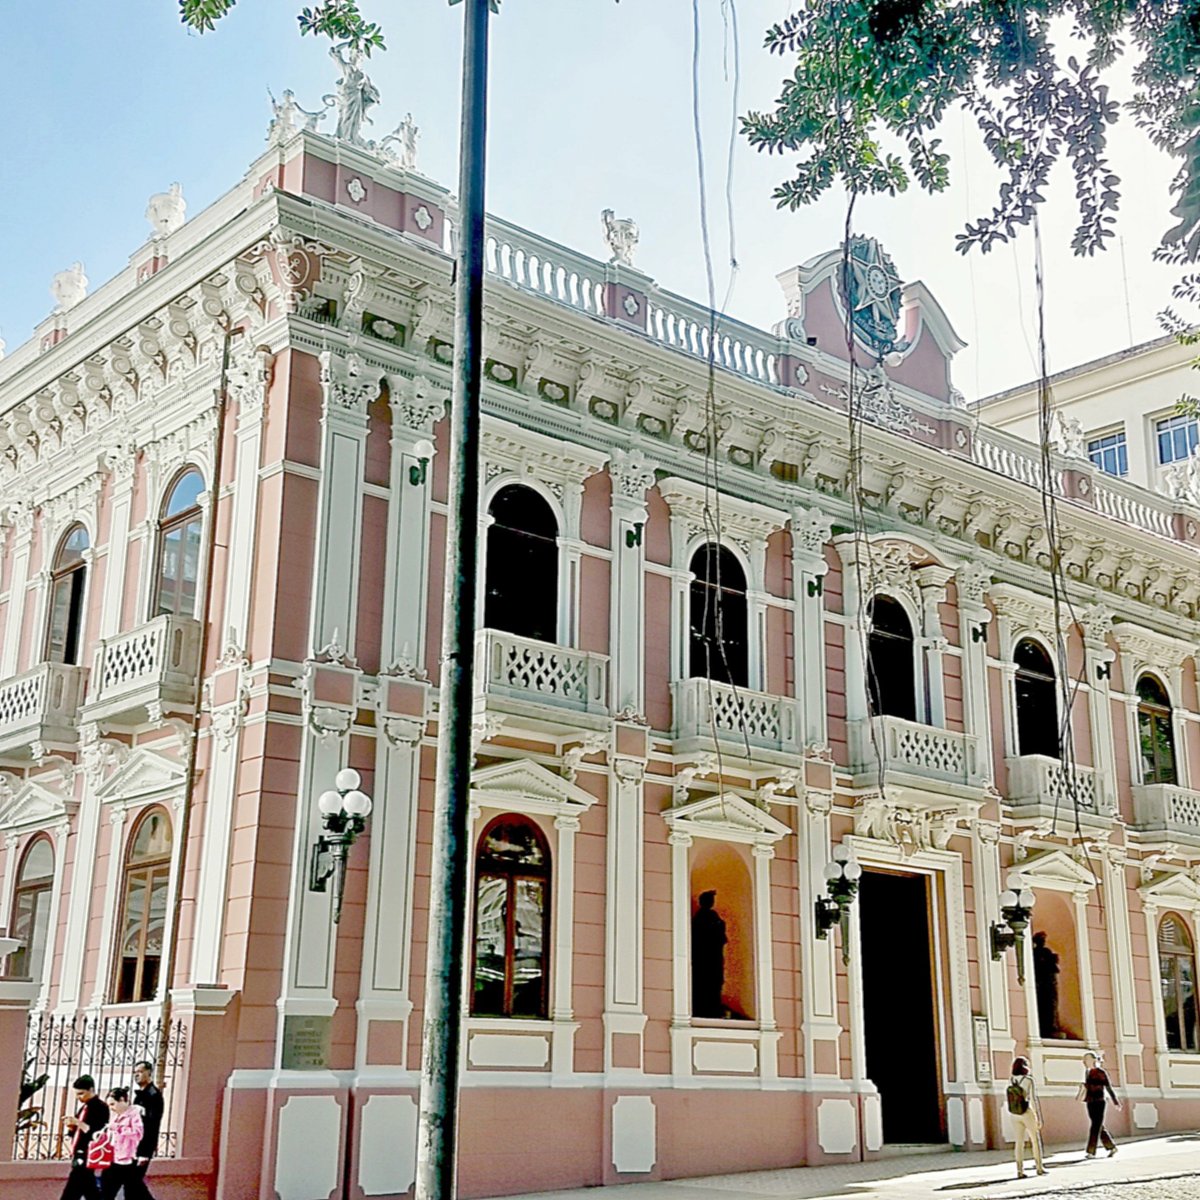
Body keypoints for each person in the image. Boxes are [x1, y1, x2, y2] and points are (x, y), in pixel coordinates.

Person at [60, 1075, 109, 1200]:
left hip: (88, 1152)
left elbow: (96, 1132)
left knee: (74, 1187)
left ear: (91, 1089)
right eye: (76, 1094)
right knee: (88, 1187)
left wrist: (77, 1123)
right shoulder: (84, 1107)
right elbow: (79, 1131)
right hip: (79, 1151)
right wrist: (72, 1127)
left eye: (81, 1094)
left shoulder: (100, 1107)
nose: (78, 1098)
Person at [128, 1061, 163, 1200]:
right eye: (134, 1072)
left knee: (133, 1182)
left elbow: (152, 1125)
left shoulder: (153, 1095)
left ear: (149, 1073)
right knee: (132, 1183)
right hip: (134, 1145)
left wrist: (145, 1152)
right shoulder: (140, 1095)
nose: (136, 1075)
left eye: (140, 1071)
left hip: (143, 1146)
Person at [1007, 1057, 1046, 1179]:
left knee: (1019, 1142)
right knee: (1035, 1139)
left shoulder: (1011, 1080)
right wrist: (1038, 1116)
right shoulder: (1029, 1080)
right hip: (1026, 1112)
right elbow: (1033, 1099)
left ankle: (1019, 1170)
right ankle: (1039, 1167)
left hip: (1014, 1114)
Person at [100, 1088, 144, 1200]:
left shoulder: (134, 1115)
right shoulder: (116, 1115)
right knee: (106, 1190)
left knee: (133, 1191)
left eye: (113, 1104)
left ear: (122, 1100)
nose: (111, 1108)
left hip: (127, 1159)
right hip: (113, 1157)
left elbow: (137, 1134)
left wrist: (119, 1128)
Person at [691, 890, 727, 1018]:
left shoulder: (705, 917)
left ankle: (712, 1008)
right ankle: (709, 1009)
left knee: (713, 983)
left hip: (711, 958)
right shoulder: (706, 918)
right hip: (707, 959)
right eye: (710, 900)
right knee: (709, 984)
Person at [1080, 1051, 1120, 1158]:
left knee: (1095, 1126)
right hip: (1090, 1102)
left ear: (1094, 1060)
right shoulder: (1087, 1072)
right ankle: (1112, 1147)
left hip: (1099, 1101)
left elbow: (1108, 1087)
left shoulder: (1101, 1072)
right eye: (1084, 1059)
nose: (1084, 1061)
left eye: (1086, 1059)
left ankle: (1091, 1151)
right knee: (1098, 1126)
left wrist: (1115, 1102)